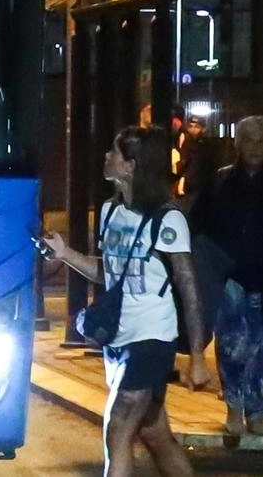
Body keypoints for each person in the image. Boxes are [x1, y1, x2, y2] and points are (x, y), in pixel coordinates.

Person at [41, 125, 212, 477]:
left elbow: (188, 286)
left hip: (151, 337)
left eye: (114, 153)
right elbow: (110, 275)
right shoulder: (110, 212)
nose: (106, 157)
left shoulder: (168, 218)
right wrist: (65, 253)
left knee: (118, 426)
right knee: (154, 432)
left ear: (131, 166)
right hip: (117, 337)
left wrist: (197, 357)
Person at [188, 115, 263, 435]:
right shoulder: (220, 182)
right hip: (228, 275)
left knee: (259, 347)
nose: (255, 148)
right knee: (231, 343)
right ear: (238, 144)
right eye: (249, 140)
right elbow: (198, 225)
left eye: (261, 141)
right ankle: (234, 406)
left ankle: (257, 410)